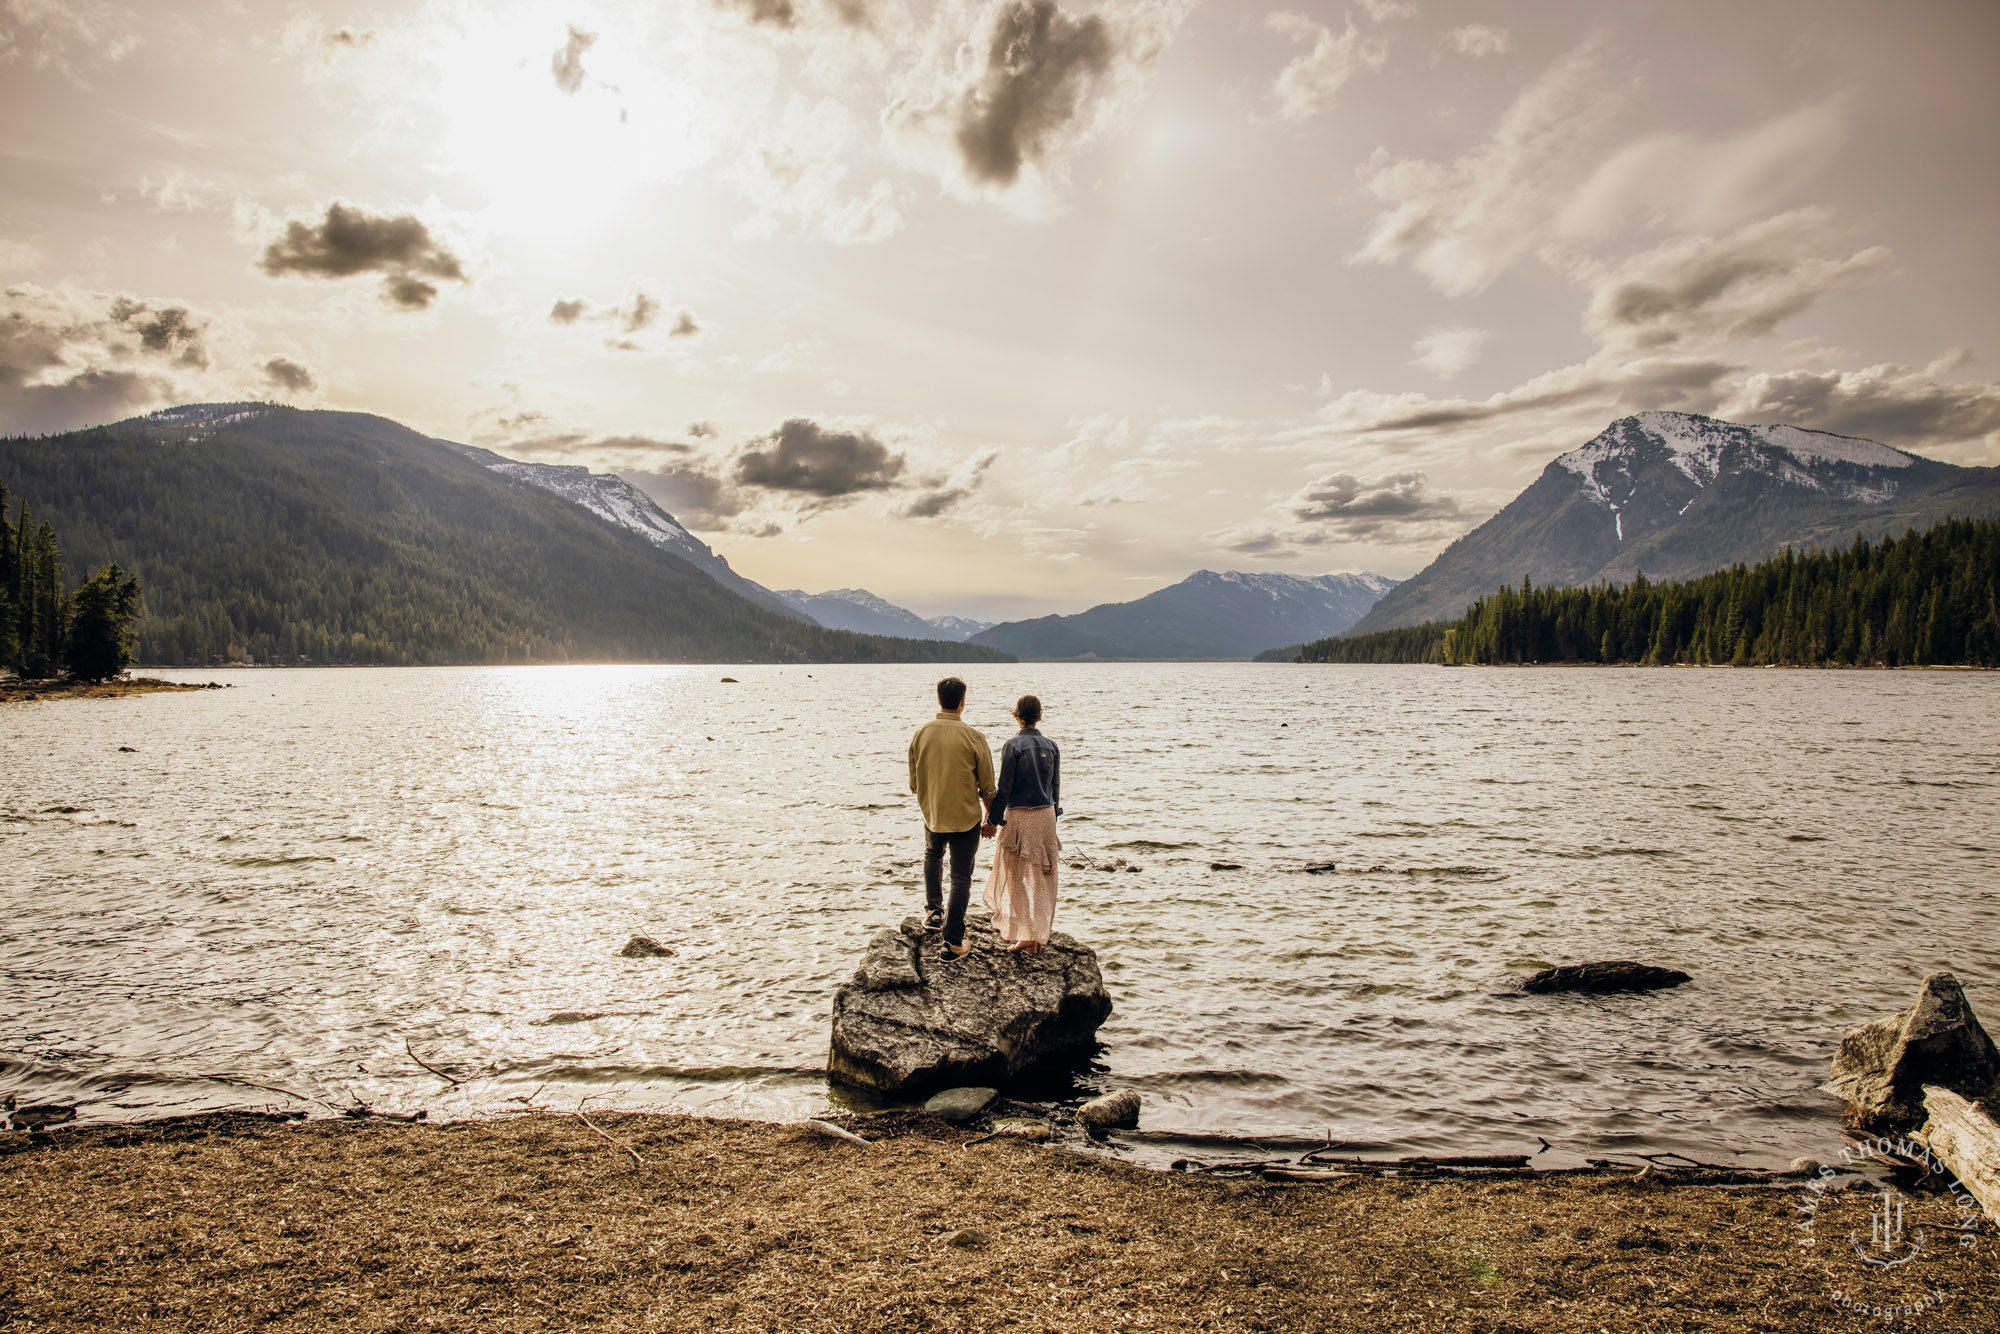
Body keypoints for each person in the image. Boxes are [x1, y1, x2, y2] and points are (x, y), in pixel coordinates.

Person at [908, 676, 997, 961]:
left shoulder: (921, 733)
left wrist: (931, 799)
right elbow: (988, 787)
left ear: (938, 700)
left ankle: (934, 913)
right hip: (965, 817)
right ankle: (952, 942)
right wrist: (990, 819)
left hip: (933, 813)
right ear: (962, 702)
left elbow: (914, 783)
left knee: (932, 856)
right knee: (961, 876)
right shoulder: (974, 737)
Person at [982, 694, 1061, 956]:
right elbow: (1055, 788)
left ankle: (1027, 932)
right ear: (1039, 716)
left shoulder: (1012, 746)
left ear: (1016, 716)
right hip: (1047, 815)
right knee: (1043, 876)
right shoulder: (1052, 746)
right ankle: (1038, 933)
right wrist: (1054, 816)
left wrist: (992, 821)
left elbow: (1004, 790)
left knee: (1015, 875)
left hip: (1020, 816)